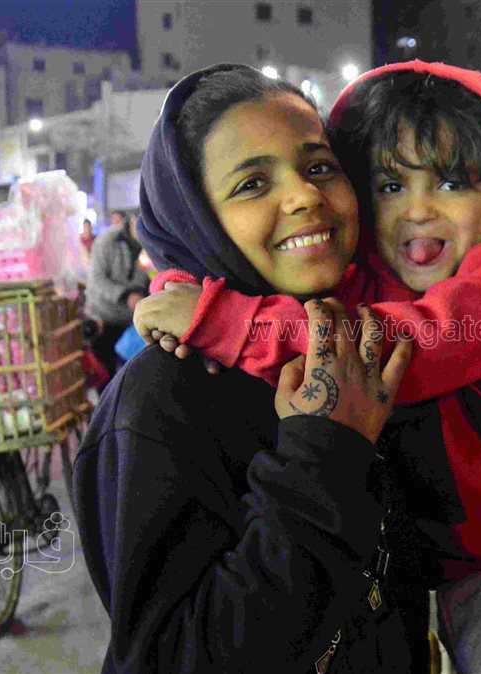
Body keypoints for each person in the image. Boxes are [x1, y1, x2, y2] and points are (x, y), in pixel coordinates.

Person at [136, 61, 481, 674]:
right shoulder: (365, 281)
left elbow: (394, 348)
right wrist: (181, 285)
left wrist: (221, 322)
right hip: (480, 581)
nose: (419, 210)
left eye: (451, 183)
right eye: (390, 185)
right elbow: (246, 274)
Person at [72, 64, 429, 673]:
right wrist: (324, 452)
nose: (305, 196)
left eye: (320, 167)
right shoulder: (164, 394)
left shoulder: (362, 342)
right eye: (252, 184)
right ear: (195, 218)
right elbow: (172, 659)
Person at [84, 210, 148, 376]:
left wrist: (138, 292)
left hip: (130, 319)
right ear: (132, 222)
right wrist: (126, 295)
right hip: (104, 316)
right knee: (106, 374)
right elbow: (97, 279)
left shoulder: (147, 244)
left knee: (131, 372)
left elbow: (144, 273)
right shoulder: (107, 240)